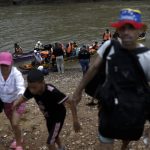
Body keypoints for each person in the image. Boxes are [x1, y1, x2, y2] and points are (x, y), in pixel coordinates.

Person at [72, 8, 150, 150]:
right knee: (105, 143)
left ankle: (124, 146)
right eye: (122, 28)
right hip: (108, 106)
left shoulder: (147, 57)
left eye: (131, 27)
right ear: (118, 30)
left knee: (127, 137)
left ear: (140, 30)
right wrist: (78, 91)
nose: (126, 32)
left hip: (133, 110)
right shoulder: (108, 46)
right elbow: (93, 68)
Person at [12, 69, 81, 150]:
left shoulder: (52, 91)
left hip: (58, 117)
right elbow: (24, 97)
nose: (32, 90)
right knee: (53, 134)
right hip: (48, 117)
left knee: (50, 142)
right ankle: (61, 147)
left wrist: (75, 120)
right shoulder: (31, 89)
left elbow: (71, 102)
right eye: (30, 87)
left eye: (34, 88)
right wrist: (17, 103)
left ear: (42, 83)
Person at [0, 52, 25, 150]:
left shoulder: (16, 73)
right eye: (1, 65)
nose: (4, 67)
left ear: (11, 63)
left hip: (18, 101)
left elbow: (21, 88)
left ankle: (18, 144)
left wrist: (18, 100)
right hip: (5, 102)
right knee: (12, 123)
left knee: (15, 123)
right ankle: (19, 138)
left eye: (6, 65)